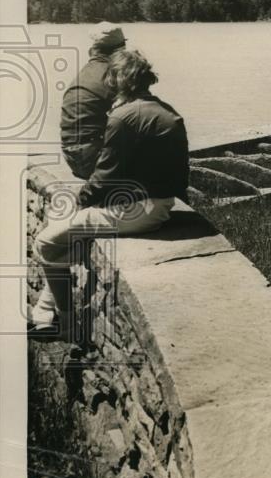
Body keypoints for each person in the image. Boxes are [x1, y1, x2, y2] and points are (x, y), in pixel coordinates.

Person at [31, 49, 189, 341]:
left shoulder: (123, 117)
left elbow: (104, 176)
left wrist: (78, 201)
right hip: (160, 204)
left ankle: (66, 326)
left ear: (117, 80)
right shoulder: (160, 108)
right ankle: (46, 311)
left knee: (45, 243)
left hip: (139, 212)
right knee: (68, 234)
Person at [60, 21, 127, 179]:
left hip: (72, 158)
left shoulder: (85, 72)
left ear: (93, 50)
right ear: (120, 51)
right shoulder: (113, 75)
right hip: (94, 162)